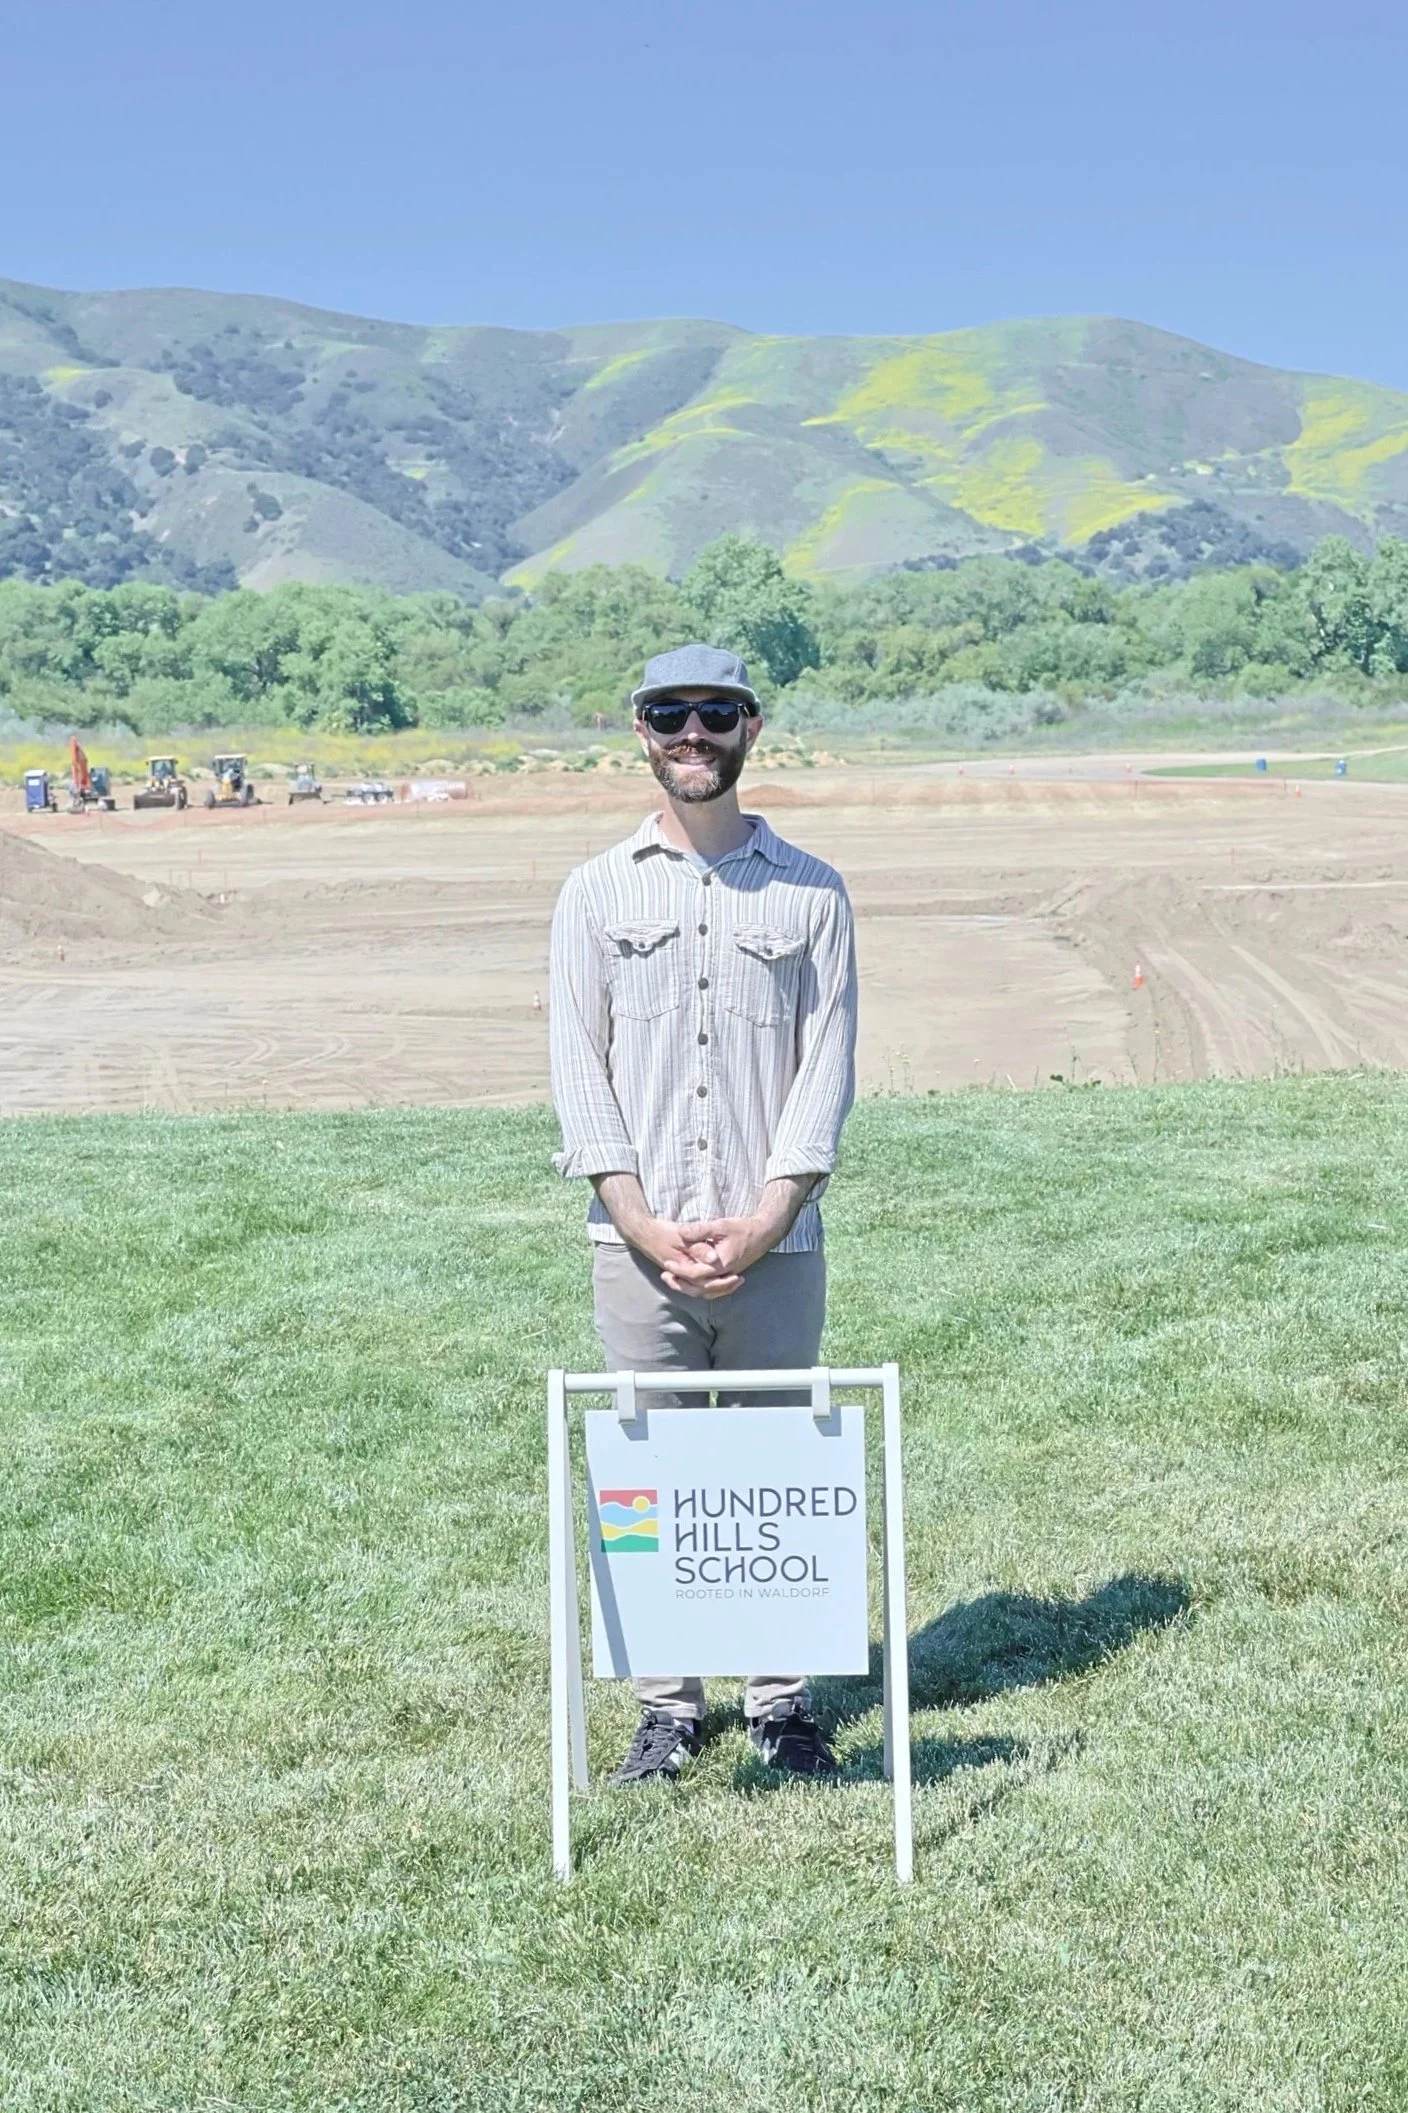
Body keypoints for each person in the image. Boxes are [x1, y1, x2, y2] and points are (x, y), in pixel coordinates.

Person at [548, 642, 859, 1784]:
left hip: (778, 1244)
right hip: (636, 1247)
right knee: (647, 1470)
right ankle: (666, 1709)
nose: (692, 733)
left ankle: (782, 1705)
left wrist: (771, 1214)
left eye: (714, 714)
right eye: (668, 714)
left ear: (750, 728)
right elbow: (578, 1064)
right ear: (637, 730)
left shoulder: (814, 892)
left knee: (777, 1472)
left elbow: (827, 1065)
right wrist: (634, 1217)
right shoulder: (594, 891)